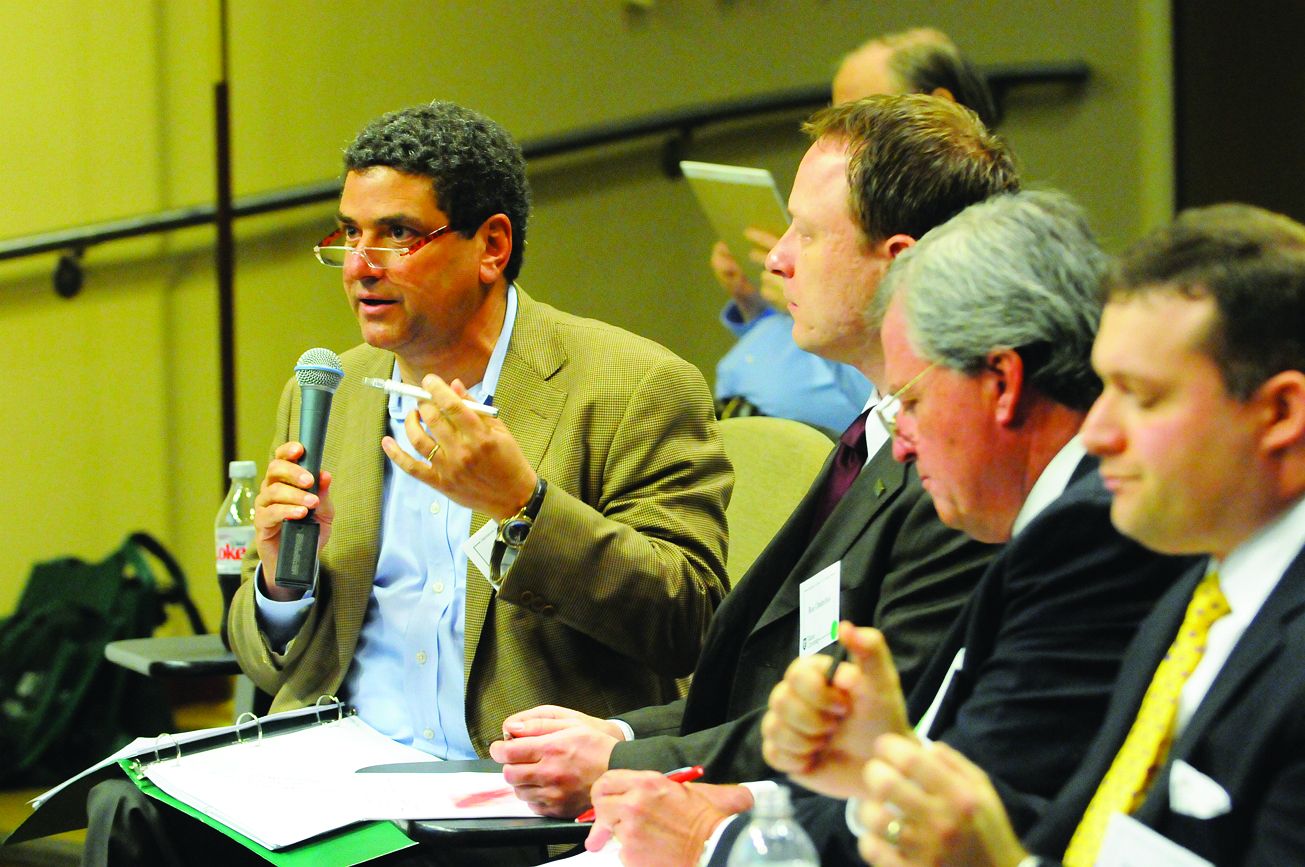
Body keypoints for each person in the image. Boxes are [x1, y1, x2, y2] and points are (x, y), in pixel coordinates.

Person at [81, 101, 731, 866]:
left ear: (491, 245)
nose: (360, 265)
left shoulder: (632, 386)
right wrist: (279, 590)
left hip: (498, 795)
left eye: (396, 234)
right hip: (332, 770)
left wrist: (521, 509)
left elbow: (690, 620)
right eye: (349, 234)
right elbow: (268, 663)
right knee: (127, 808)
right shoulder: (329, 390)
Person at [491, 93, 1014, 832]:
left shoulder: (957, 476)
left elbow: (849, 729)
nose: (775, 259)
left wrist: (620, 765)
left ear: (897, 261)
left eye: (805, 232)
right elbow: (755, 685)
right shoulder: (874, 425)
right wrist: (624, 735)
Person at [723, 191, 1196, 866]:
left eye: (909, 401)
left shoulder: (1088, 536)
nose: (904, 444)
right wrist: (867, 767)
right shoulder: (1039, 523)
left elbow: (992, 812)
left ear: (1001, 381)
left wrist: (716, 840)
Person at [844, 203, 1305, 867]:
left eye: (1141, 396)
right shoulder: (1194, 600)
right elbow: (1085, 839)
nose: (1096, 431)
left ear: (1278, 412)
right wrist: (877, 778)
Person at [712, 28, 995, 431]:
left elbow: (883, 371)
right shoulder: (835, 197)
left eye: (866, 108)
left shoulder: (978, 243)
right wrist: (755, 305)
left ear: (934, 105)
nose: (845, 128)